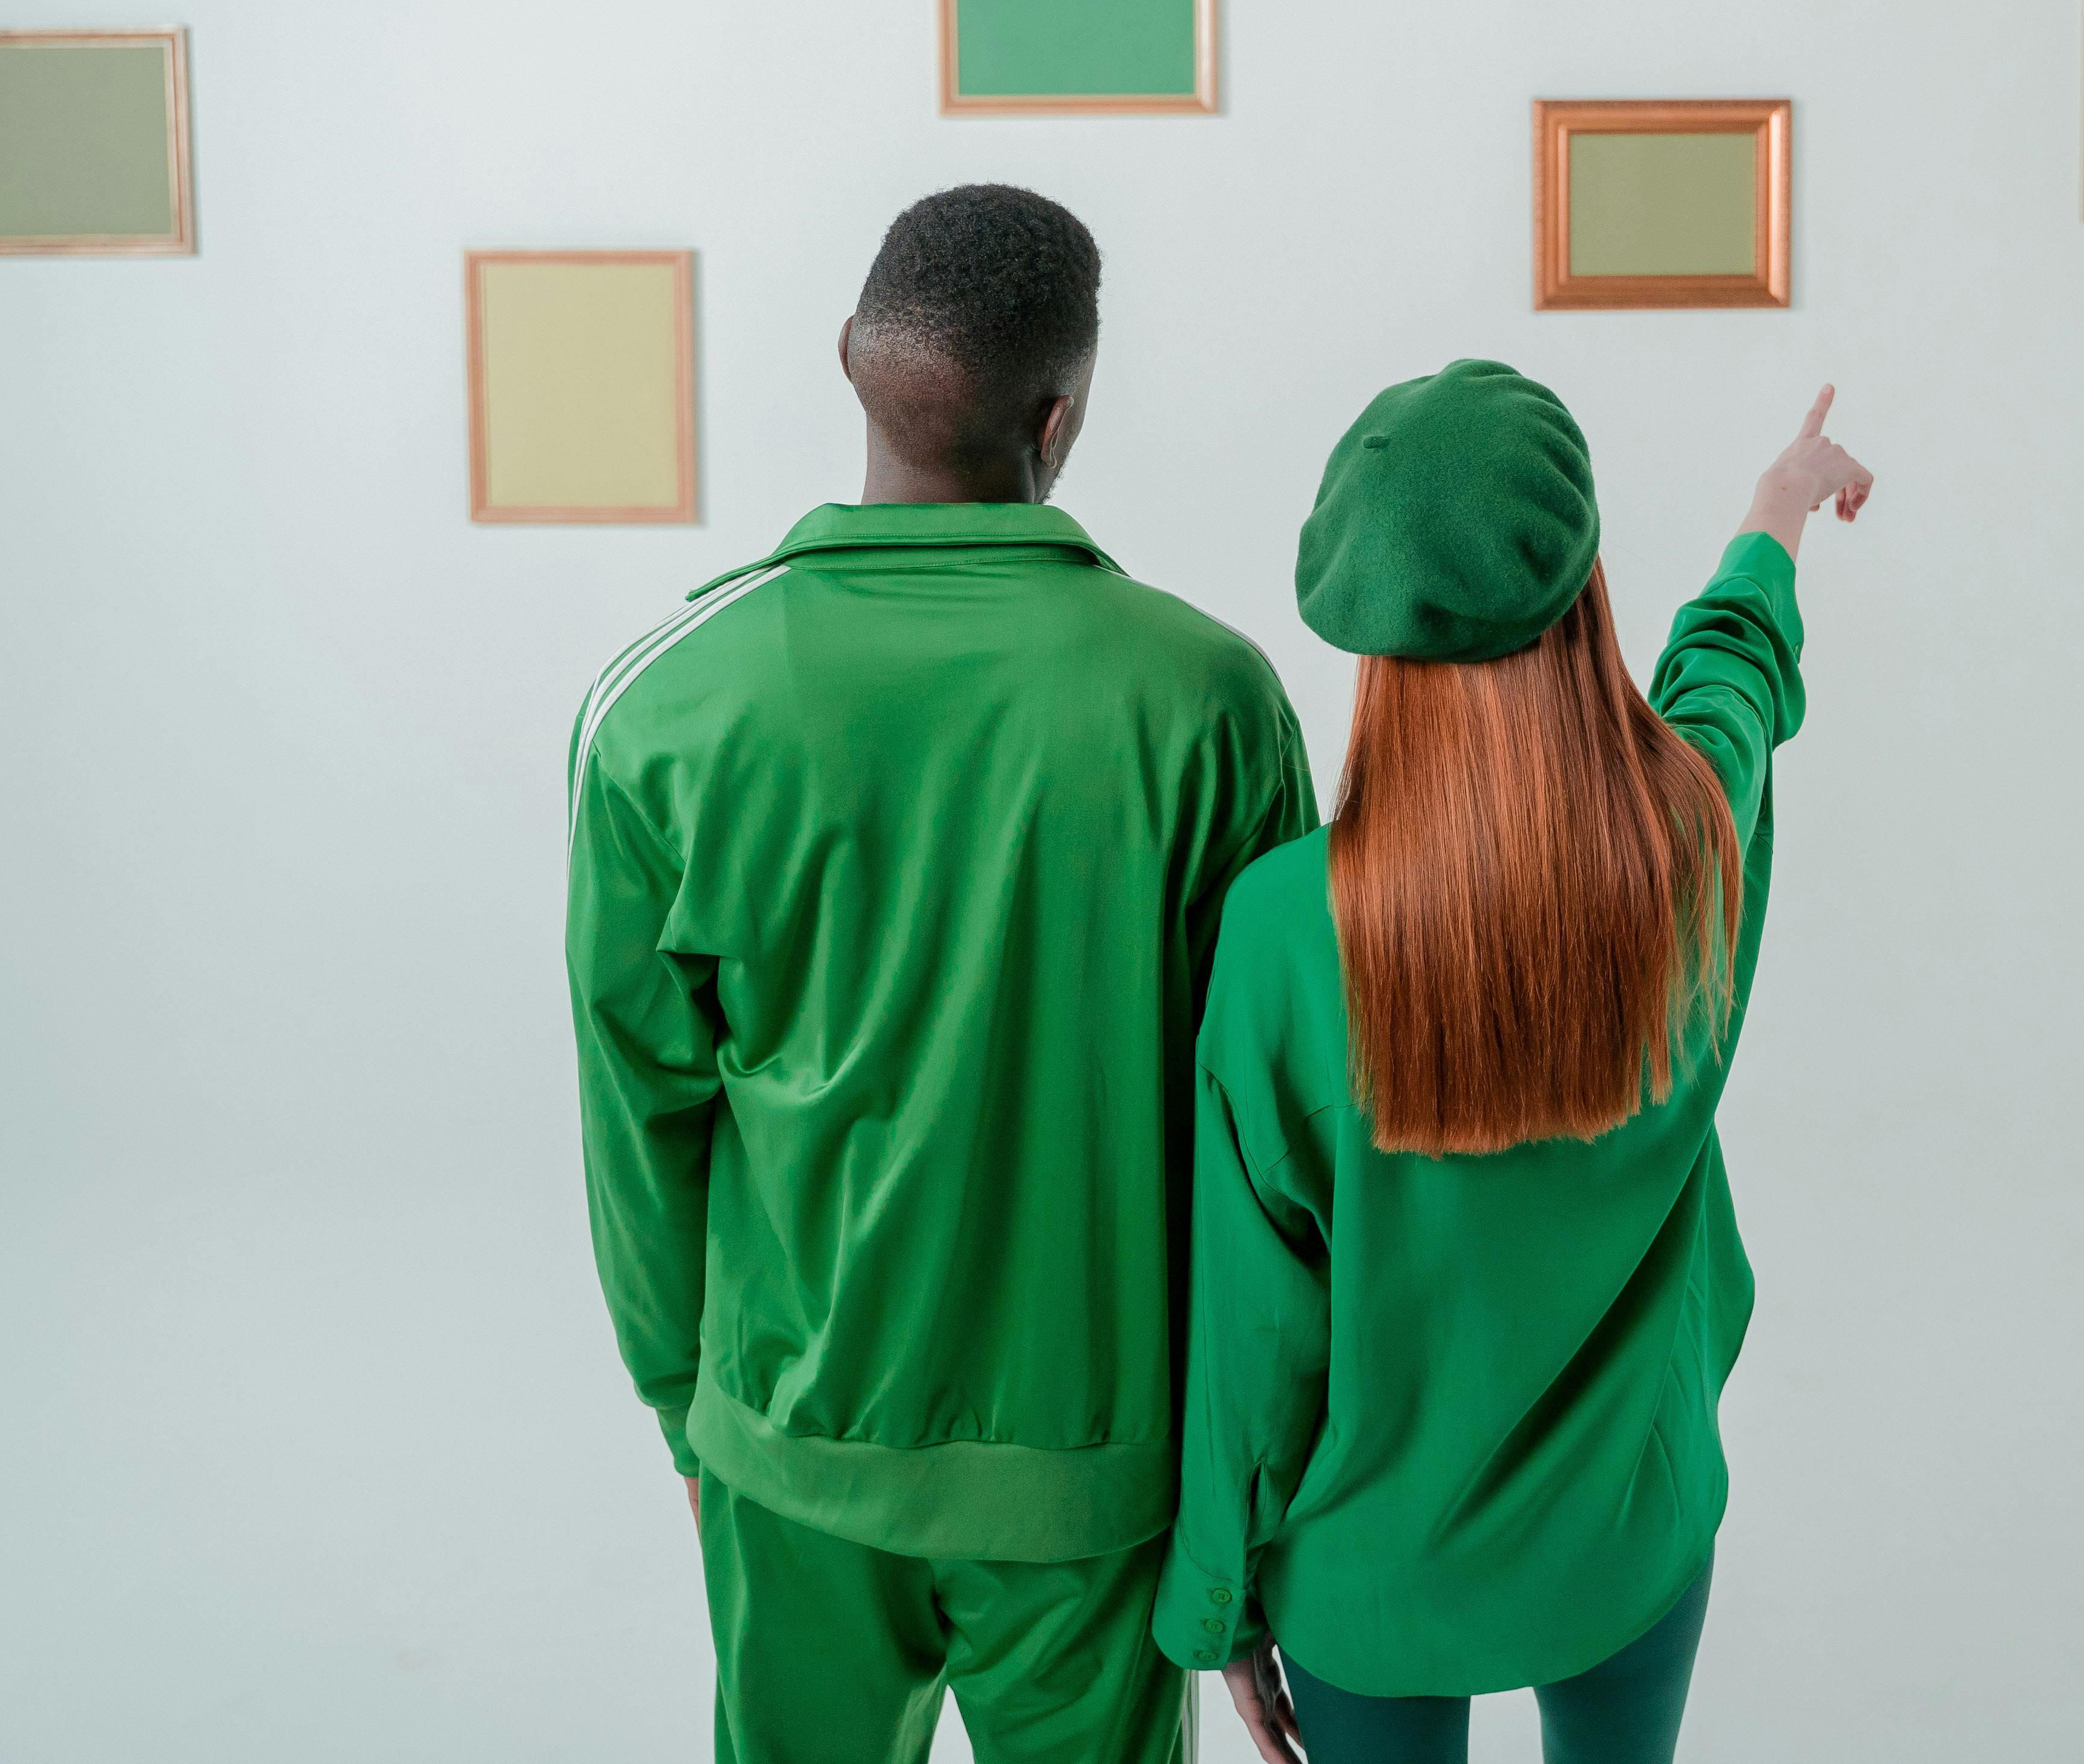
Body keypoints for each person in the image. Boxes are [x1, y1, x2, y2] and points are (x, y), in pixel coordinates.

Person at [568, 184, 1317, 1764]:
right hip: (1097, 1467)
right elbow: (1271, 1131)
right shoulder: (1210, 702)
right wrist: (1250, 1482)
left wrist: (679, 1391)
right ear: (1060, 418)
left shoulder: (667, 707)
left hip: (787, 1442)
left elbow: (638, 1106)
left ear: (852, 359)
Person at [1154, 361, 1875, 1764]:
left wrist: (1221, 1601)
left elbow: (1256, 1326)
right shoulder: (1690, 841)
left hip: (1370, 1568)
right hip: (1624, 1531)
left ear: (1367, 624)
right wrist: (1776, 507)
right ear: (1583, 577)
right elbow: (1730, 669)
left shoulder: (1284, 931)